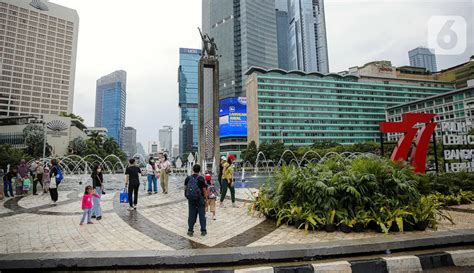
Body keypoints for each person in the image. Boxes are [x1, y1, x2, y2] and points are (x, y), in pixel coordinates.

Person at [184, 164, 208, 236]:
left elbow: (185, 188)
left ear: (193, 170)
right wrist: (206, 200)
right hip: (200, 199)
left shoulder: (188, 178)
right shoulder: (201, 178)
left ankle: (190, 231)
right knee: (202, 215)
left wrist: (187, 196)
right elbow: (204, 190)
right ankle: (203, 231)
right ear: (199, 170)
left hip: (191, 199)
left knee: (191, 214)